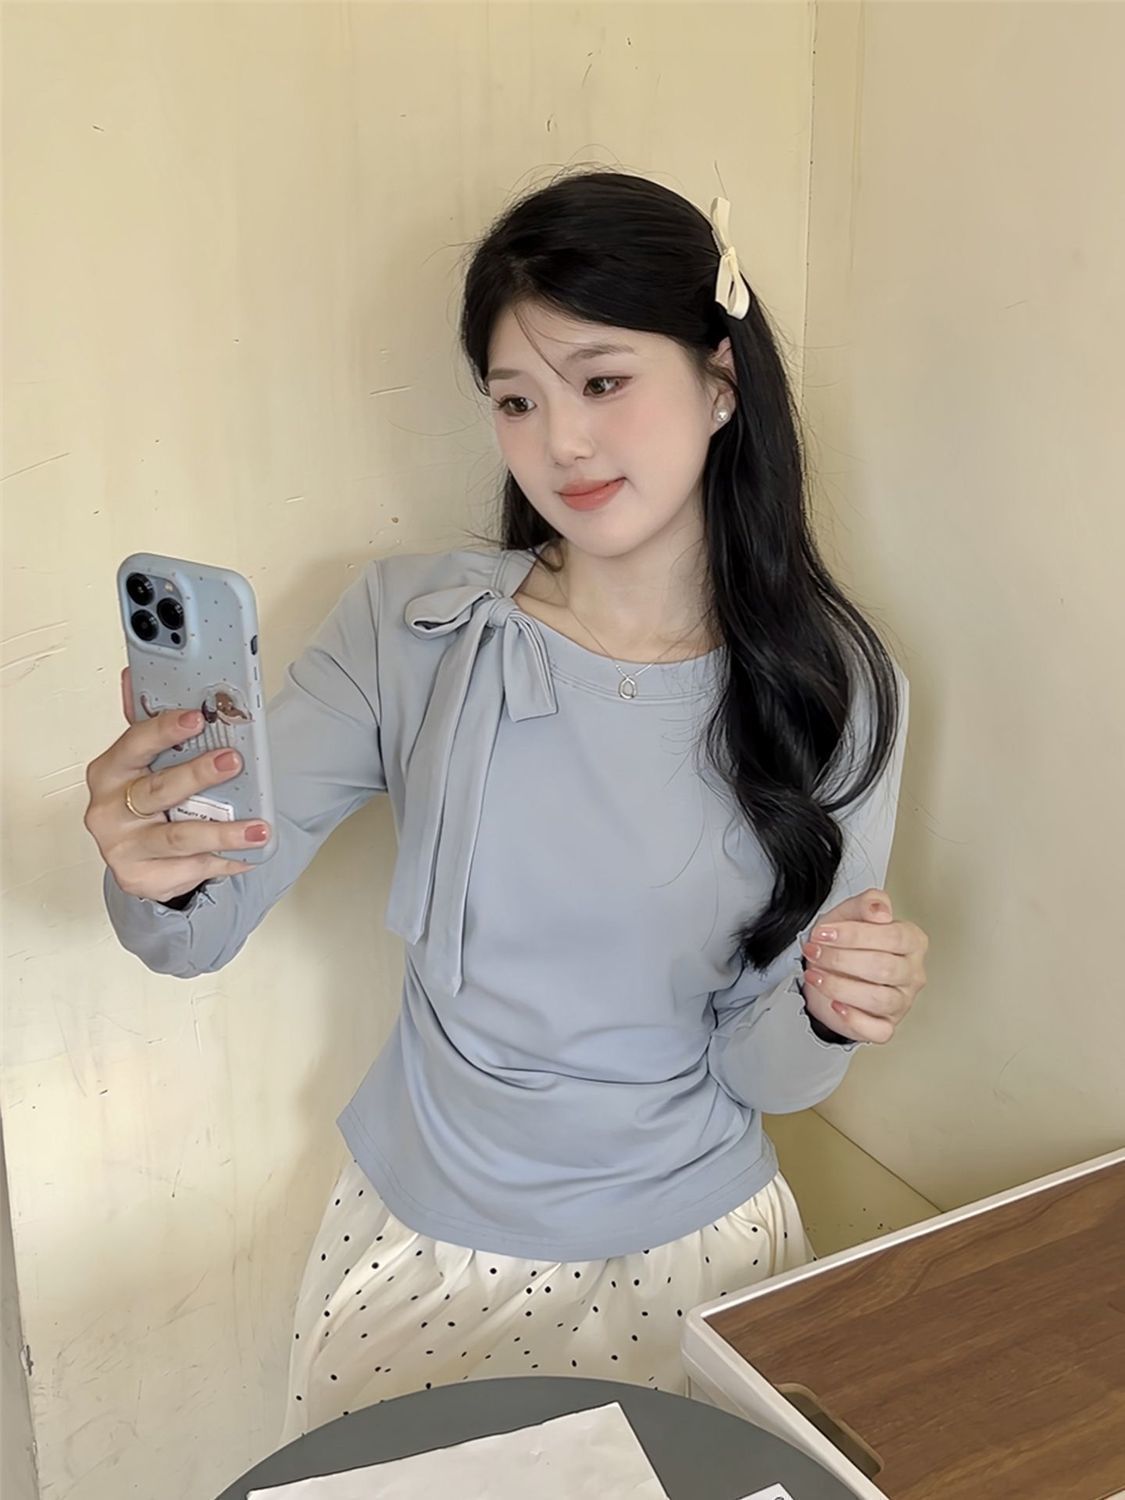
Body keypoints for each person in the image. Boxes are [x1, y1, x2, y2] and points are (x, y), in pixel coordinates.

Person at [83, 169, 928, 1439]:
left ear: (720, 380)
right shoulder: (410, 626)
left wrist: (830, 1005)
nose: (560, 444)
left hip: (703, 1259)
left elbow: (767, 1070)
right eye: (516, 400)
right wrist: (157, 866)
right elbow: (196, 930)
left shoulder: (838, 688)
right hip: (423, 1257)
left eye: (602, 381)